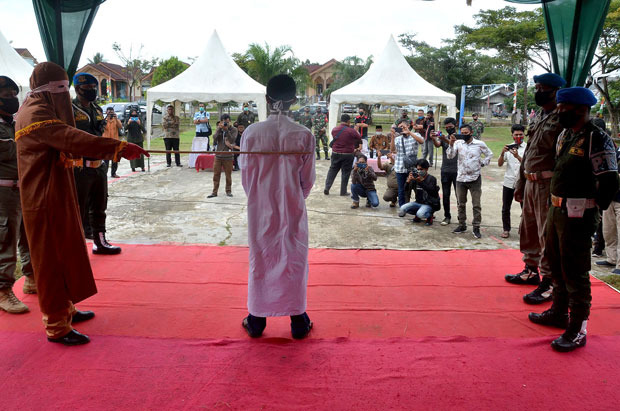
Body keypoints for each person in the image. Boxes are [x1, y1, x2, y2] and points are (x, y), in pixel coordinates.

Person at [15, 62, 147, 345]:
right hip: (43, 197)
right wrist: (119, 148)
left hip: (57, 191)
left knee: (66, 249)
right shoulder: (35, 112)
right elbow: (69, 137)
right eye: (60, 89)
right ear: (46, 89)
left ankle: (66, 309)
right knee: (51, 259)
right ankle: (55, 325)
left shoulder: (44, 107)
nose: (66, 93)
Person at [528, 87, 619, 352]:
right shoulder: (567, 134)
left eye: (563, 107)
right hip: (557, 210)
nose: (558, 112)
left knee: (575, 271)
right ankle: (558, 311)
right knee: (555, 263)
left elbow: (610, 180)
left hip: (579, 215)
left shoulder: (597, 138)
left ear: (580, 109)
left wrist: (594, 207)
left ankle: (578, 327)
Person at [239, 74, 315, 339]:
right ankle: (298, 321)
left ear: (267, 99)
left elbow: (246, 178)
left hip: (260, 208)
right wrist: (291, 198)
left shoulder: (251, 133)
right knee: (293, 258)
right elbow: (308, 181)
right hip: (293, 205)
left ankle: (257, 320)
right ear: (294, 100)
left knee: (261, 257)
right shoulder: (304, 135)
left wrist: (262, 197)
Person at [505, 73, 566, 305]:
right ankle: (531, 269)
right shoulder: (541, 115)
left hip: (547, 184)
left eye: (542, 88)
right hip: (530, 181)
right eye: (537, 87)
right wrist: (520, 183)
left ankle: (550, 281)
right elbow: (530, 151)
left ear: (555, 91)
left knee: (546, 233)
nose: (538, 91)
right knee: (528, 228)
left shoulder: (562, 118)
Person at [72, 73, 120, 255]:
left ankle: (100, 242)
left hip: (98, 166)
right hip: (79, 167)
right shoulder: (69, 109)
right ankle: (76, 246)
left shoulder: (98, 110)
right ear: (77, 89)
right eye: (88, 89)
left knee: (100, 206)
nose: (91, 91)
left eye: (94, 88)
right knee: (78, 208)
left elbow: (100, 133)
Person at [0, 75, 35, 314]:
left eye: (14, 95)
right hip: (3, 192)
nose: (12, 99)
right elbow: (13, 149)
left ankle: (32, 278)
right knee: (6, 239)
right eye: (6, 96)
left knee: (29, 234)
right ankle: (3, 291)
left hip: (21, 187)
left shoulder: (12, 122)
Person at [446, 124, 493, 239]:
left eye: (466, 133)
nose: (464, 135)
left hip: (475, 178)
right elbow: (450, 156)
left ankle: (476, 227)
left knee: (476, 205)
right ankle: (462, 225)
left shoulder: (479, 144)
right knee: (461, 204)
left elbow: (489, 154)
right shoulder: (458, 143)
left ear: (471, 133)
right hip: (461, 178)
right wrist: (451, 143)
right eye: (462, 133)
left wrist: (482, 163)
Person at [497, 124, 526, 238]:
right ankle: (506, 229)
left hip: (522, 182)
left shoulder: (527, 147)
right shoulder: (508, 147)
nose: (518, 136)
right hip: (509, 182)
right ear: (512, 135)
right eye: (516, 134)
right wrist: (502, 153)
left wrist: (518, 157)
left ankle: (524, 229)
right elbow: (499, 164)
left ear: (524, 135)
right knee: (505, 207)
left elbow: (527, 165)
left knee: (525, 208)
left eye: (521, 134)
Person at [324, 114, 361, 196]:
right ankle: (343, 191)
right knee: (345, 173)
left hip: (335, 153)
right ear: (348, 121)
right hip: (347, 154)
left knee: (332, 171)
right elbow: (359, 138)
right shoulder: (351, 131)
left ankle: (327, 188)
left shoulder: (335, 129)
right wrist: (354, 129)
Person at [431, 118, 459, 225]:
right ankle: (447, 216)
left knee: (459, 195)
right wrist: (434, 139)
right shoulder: (444, 137)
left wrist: (445, 139)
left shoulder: (460, 138)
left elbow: (456, 147)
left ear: (455, 125)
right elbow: (437, 145)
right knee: (446, 195)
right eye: (446, 127)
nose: (448, 129)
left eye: (450, 127)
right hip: (445, 170)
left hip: (457, 170)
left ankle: (461, 217)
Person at [390, 120, 424, 207]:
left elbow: (421, 141)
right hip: (400, 167)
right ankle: (402, 207)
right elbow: (392, 150)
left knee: (417, 188)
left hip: (412, 167)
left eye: (403, 126)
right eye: (399, 127)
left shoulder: (415, 135)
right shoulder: (398, 138)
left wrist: (409, 132)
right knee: (401, 189)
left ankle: (420, 205)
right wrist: (393, 137)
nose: (401, 128)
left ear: (408, 126)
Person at [397, 159, 440, 225]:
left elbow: (432, 192)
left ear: (426, 169)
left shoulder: (431, 178)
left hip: (428, 203)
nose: (419, 171)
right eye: (418, 169)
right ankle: (418, 214)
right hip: (418, 202)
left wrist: (421, 181)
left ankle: (429, 215)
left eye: (421, 169)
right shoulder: (416, 177)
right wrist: (408, 181)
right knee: (402, 208)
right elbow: (406, 190)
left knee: (420, 214)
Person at [208, 114, 238, 198]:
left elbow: (232, 139)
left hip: (228, 156)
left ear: (230, 121)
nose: (225, 123)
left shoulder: (234, 129)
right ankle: (214, 192)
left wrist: (227, 130)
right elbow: (214, 138)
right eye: (224, 122)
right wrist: (219, 129)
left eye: (227, 122)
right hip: (218, 156)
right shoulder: (219, 129)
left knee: (228, 175)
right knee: (216, 175)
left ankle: (228, 191)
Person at [102, 106, 122, 178]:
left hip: (115, 143)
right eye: (109, 111)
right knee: (106, 160)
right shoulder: (104, 120)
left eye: (111, 112)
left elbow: (120, 126)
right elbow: (100, 126)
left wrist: (116, 118)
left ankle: (113, 173)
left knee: (115, 159)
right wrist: (105, 118)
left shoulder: (115, 120)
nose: (110, 113)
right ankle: (105, 173)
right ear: (106, 112)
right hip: (106, 143)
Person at [189, 102, 211, 168]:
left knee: (206, 145)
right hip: (198, 131)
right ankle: (197, 160)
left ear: (204, 107)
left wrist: (199, 120)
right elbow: (194, 122)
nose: (201, 107)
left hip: (205, 131)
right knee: (198, 145)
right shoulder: (196, 113)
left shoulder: (207, 113)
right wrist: (201, 120)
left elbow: (206, 120)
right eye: (200, 106)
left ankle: (206, 161)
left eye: (202, 106)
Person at [124, 108, 146, 172]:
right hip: (131, 139)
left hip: (139, 139)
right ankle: (133, 167)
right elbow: (124, 129)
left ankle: (142, 167)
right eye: (132, 112)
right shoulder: (128, 119)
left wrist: (139, 123)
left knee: (140, 153)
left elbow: (144, 130)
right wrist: (128, 123)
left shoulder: (139, 119)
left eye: (135, 112)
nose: (134, 114)